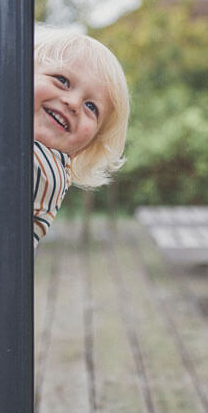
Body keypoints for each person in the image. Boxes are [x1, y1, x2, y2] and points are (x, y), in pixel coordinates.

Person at [32, 26, 130, 249]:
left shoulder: (47, 171)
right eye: (62, 81)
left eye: (91, 107)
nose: (73, 103)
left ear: (85, 146)